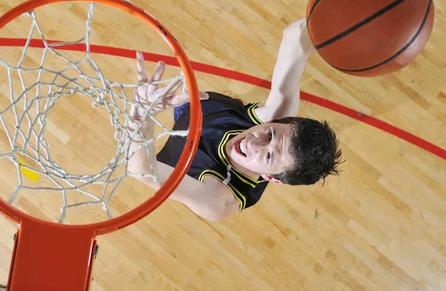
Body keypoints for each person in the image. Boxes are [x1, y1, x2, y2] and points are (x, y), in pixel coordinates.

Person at [127, 19, 343, 221]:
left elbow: (142, 171)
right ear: (282, 121)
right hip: (197, 111)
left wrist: (142, 111)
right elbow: (296, 36)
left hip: (175, 158)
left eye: (268, 156)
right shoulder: (279, 114)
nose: (254, 142)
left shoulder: (219, 199)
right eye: (269, 134)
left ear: (272, 178)